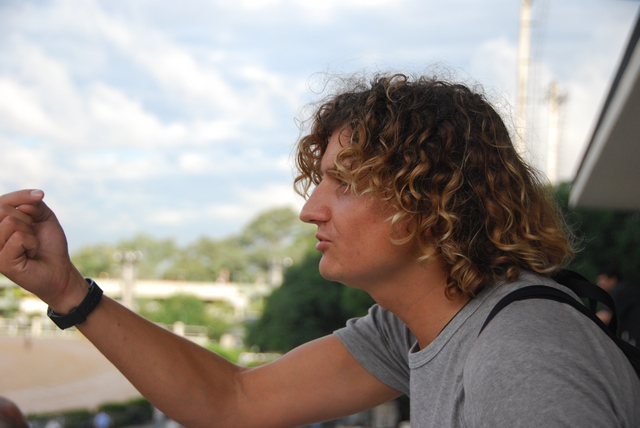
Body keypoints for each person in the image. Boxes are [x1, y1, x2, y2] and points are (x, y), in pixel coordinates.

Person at [0, 72, 638, 427]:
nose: (310, 210)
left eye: (347, 183)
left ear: (433, 196)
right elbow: (233, 401)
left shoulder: (522, 353)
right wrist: (68, 292)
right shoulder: (411, 329)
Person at [597, 267, 640, 346]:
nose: (599, 283)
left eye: (602, 279)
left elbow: (606, 316)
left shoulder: (620, 291)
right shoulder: (625, 289)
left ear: (613, 280)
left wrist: (584, 320)